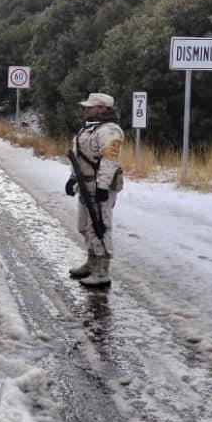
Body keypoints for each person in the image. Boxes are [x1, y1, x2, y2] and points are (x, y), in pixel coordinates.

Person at [65, 92, 125, 287]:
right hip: (85, 183)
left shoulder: (109, 131)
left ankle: (102, 271)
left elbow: (109, 160)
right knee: (84, 226)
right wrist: (73, 177)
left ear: (102, 108)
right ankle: (91, 262)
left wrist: (102, 186)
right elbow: (79, 156)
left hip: (100, 185)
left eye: (90, 107)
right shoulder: (90, 129)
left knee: (100, 226)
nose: (86, 109)